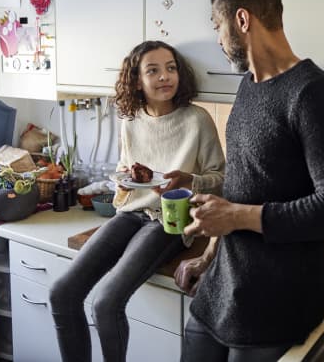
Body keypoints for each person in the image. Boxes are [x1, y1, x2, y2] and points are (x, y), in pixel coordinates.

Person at [174, 0, 324, 362]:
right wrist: (209, 255)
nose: (217, 39)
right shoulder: (249, 86)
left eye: (217, 25)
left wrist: (237, 218)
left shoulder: (312, 94)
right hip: (223, 288)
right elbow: (243, 187)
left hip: (275, 302)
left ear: (242, 20)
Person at [49, 40, 225, 362]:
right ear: (137, 80)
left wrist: (189, 180)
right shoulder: (130, 120)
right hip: (130, 214)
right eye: (153, 70)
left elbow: (220, 177)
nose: (164, 77)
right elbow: (122, 170)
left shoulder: (196, 120)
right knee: (61, 293)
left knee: (106, 302)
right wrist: (125, 177)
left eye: (171, 68)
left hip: (170, 220)